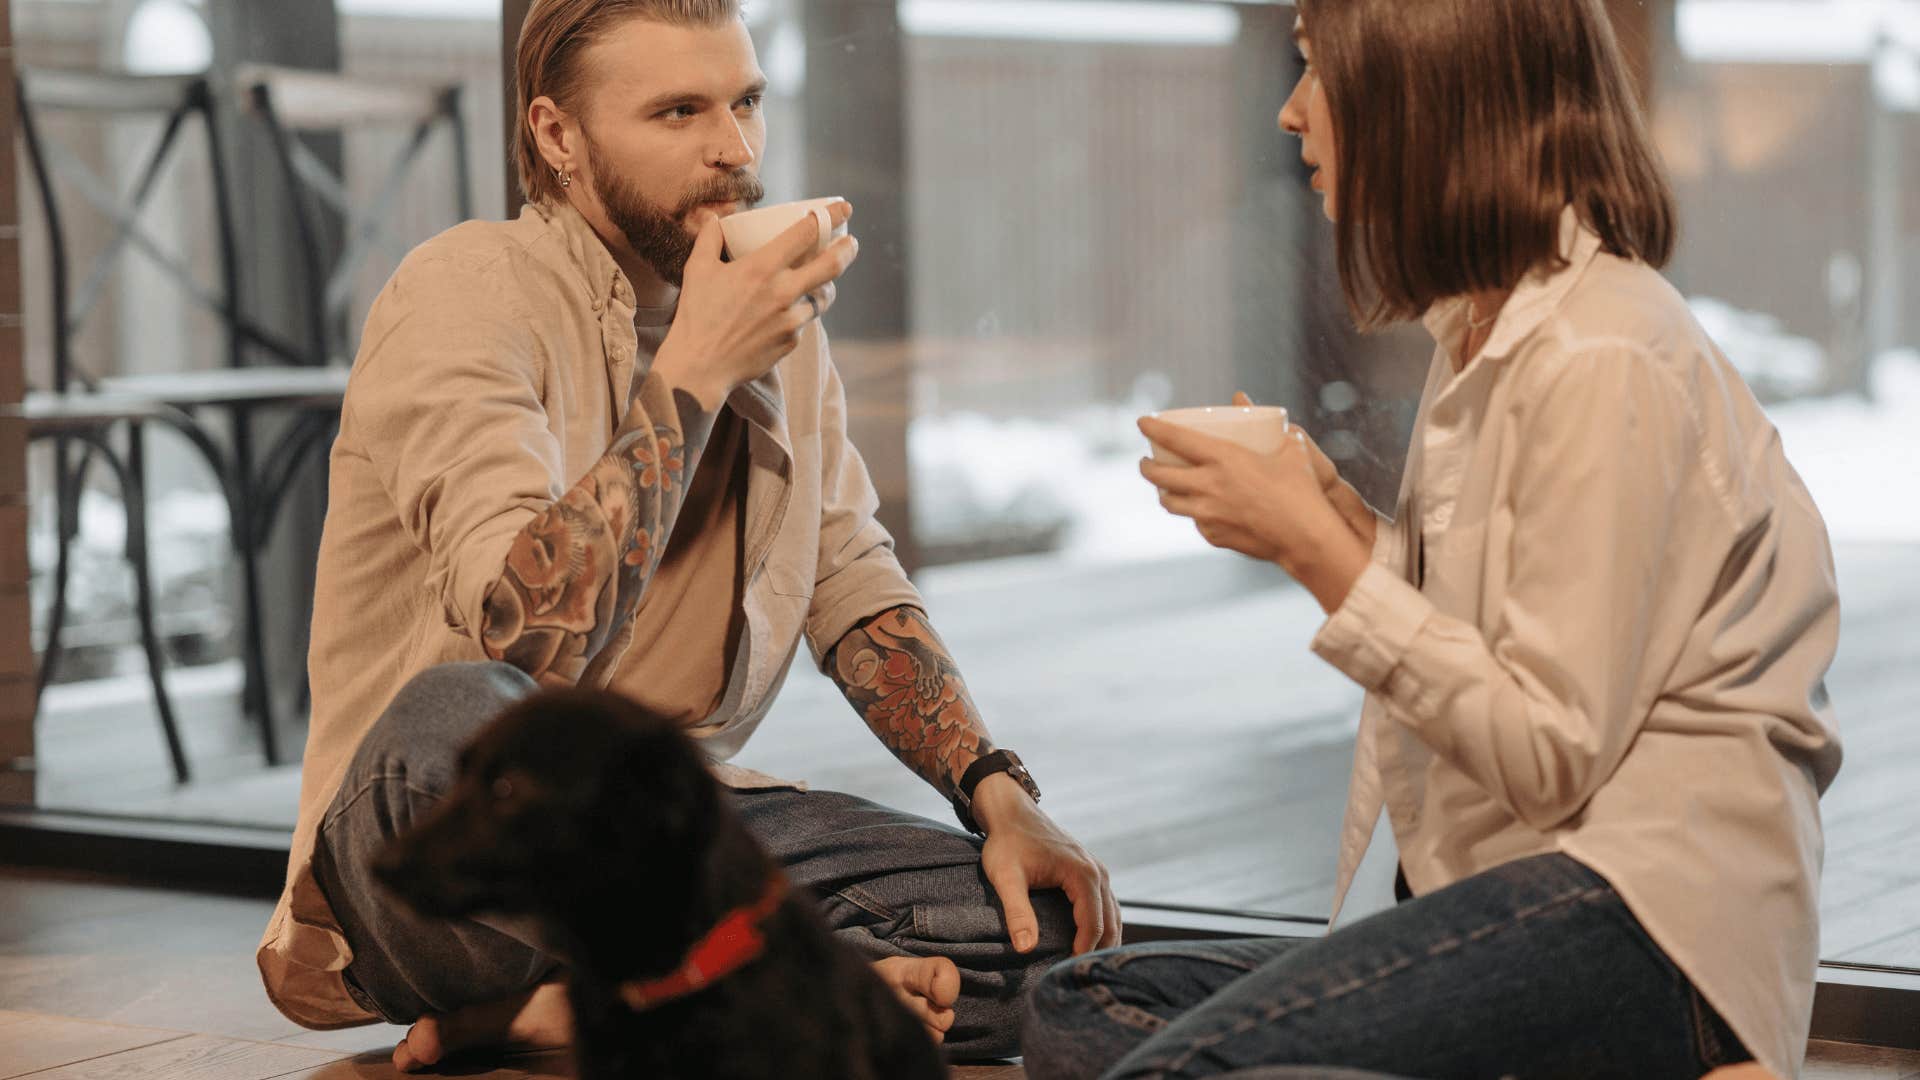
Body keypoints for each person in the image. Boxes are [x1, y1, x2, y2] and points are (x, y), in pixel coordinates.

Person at [255, 0, 1120, 1070]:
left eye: (745, 101)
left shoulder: (781, 326)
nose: (736, 149)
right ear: (557, 137)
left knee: (1028, 944)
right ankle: (744, 984)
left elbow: (850, 578)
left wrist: (995, 790)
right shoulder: (465, 291)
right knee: (453, 720)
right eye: (677, 112)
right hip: (445, 834)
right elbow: (521, 638)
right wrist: (696, 371)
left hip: (662, 841)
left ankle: (577, 1012)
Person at [1021, 0, 1841, 1077]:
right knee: (1083, 1007)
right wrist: (1343, 520)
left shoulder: (1603, 354)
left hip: (1645, 916)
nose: (1289, 112)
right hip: (1512, 888)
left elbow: (1548, 753)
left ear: (1423, 98)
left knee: (1180, 1069)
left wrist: (1321, 552)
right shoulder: (1488, 327)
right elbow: (1504, 625)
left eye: (1318, 73)